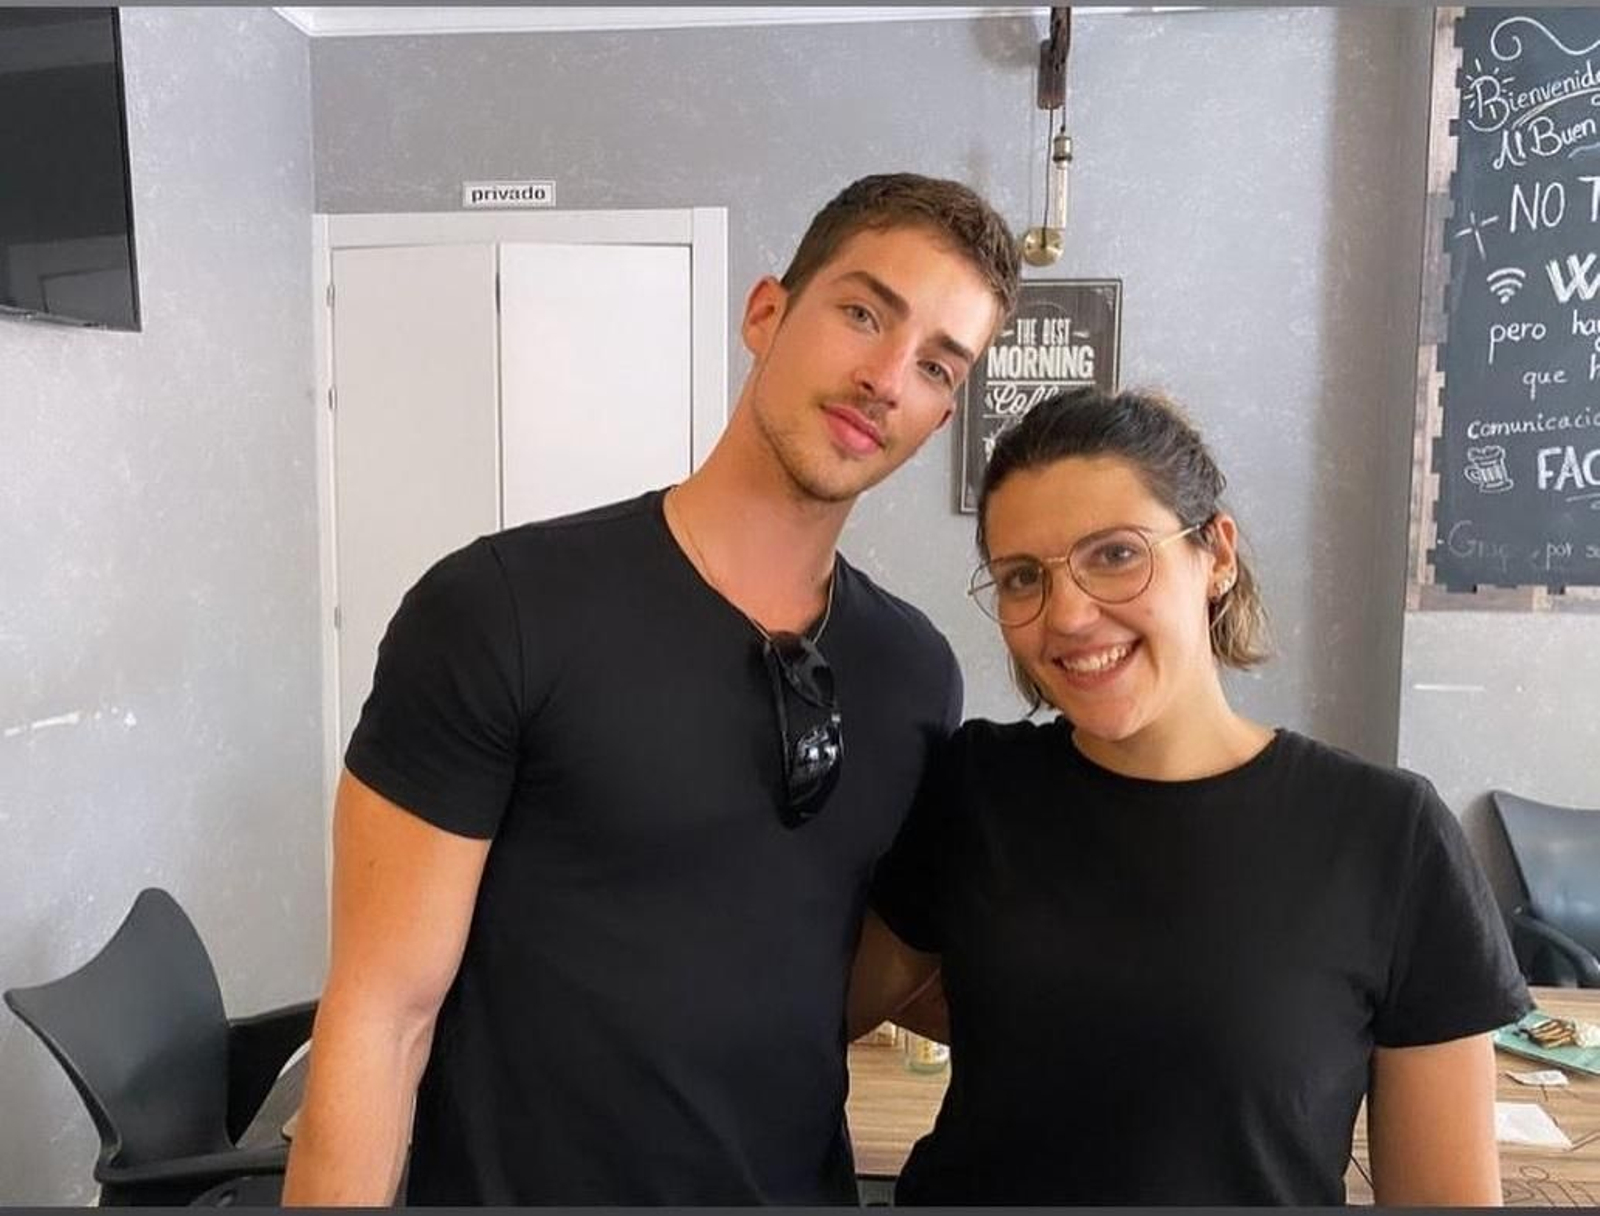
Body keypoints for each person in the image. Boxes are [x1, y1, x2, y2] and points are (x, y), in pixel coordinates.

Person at [281, 174, 1020, 1206]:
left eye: (938, 365)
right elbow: (380, 1014)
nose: (887, 378)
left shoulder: (911, 673)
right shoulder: (501, 610)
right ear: (766, 313)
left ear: (942, 413)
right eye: (862, 312)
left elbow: (828, 974)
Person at [855, 386, 1532, 1206]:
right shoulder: (977, 787)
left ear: (1216, 556)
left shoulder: (1386, 833)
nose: (1067, 615)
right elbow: (824, 1004)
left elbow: (1443, 1198)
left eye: (1114, 554)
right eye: (1023, 577)